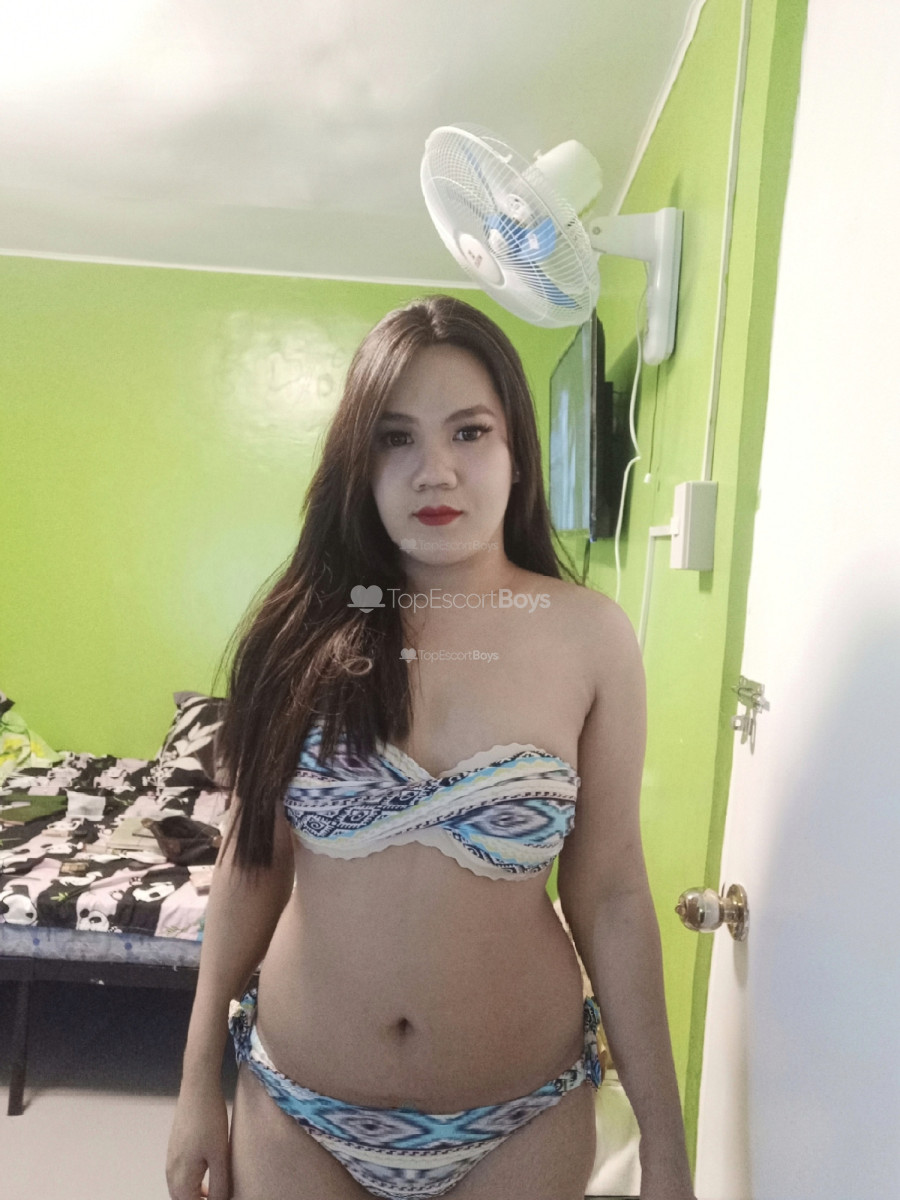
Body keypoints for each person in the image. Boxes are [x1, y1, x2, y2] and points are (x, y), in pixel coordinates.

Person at [165, 294, 696, 1200]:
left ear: (517, 452)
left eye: (470, 432)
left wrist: (666, 1143)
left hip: (519, 1120)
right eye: (395, 438)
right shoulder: (299, 632)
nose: (435, 471)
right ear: (358, 463)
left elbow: (610, 894)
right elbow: (250, 867)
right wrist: (192, 1088)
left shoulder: (591, 637)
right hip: (297, 1112)